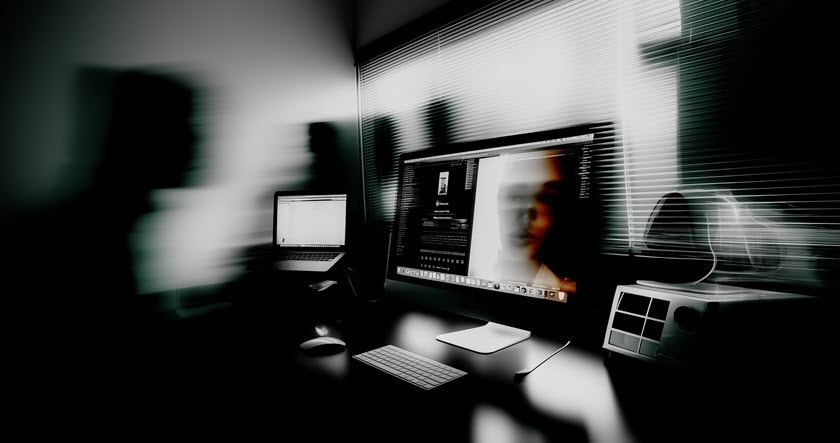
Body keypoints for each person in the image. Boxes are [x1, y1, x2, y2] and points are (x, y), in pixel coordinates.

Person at [493, 151, 576, 296]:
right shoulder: (477, 274)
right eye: (515, 196)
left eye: (546, 198)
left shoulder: (564, 293)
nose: (526, 216)